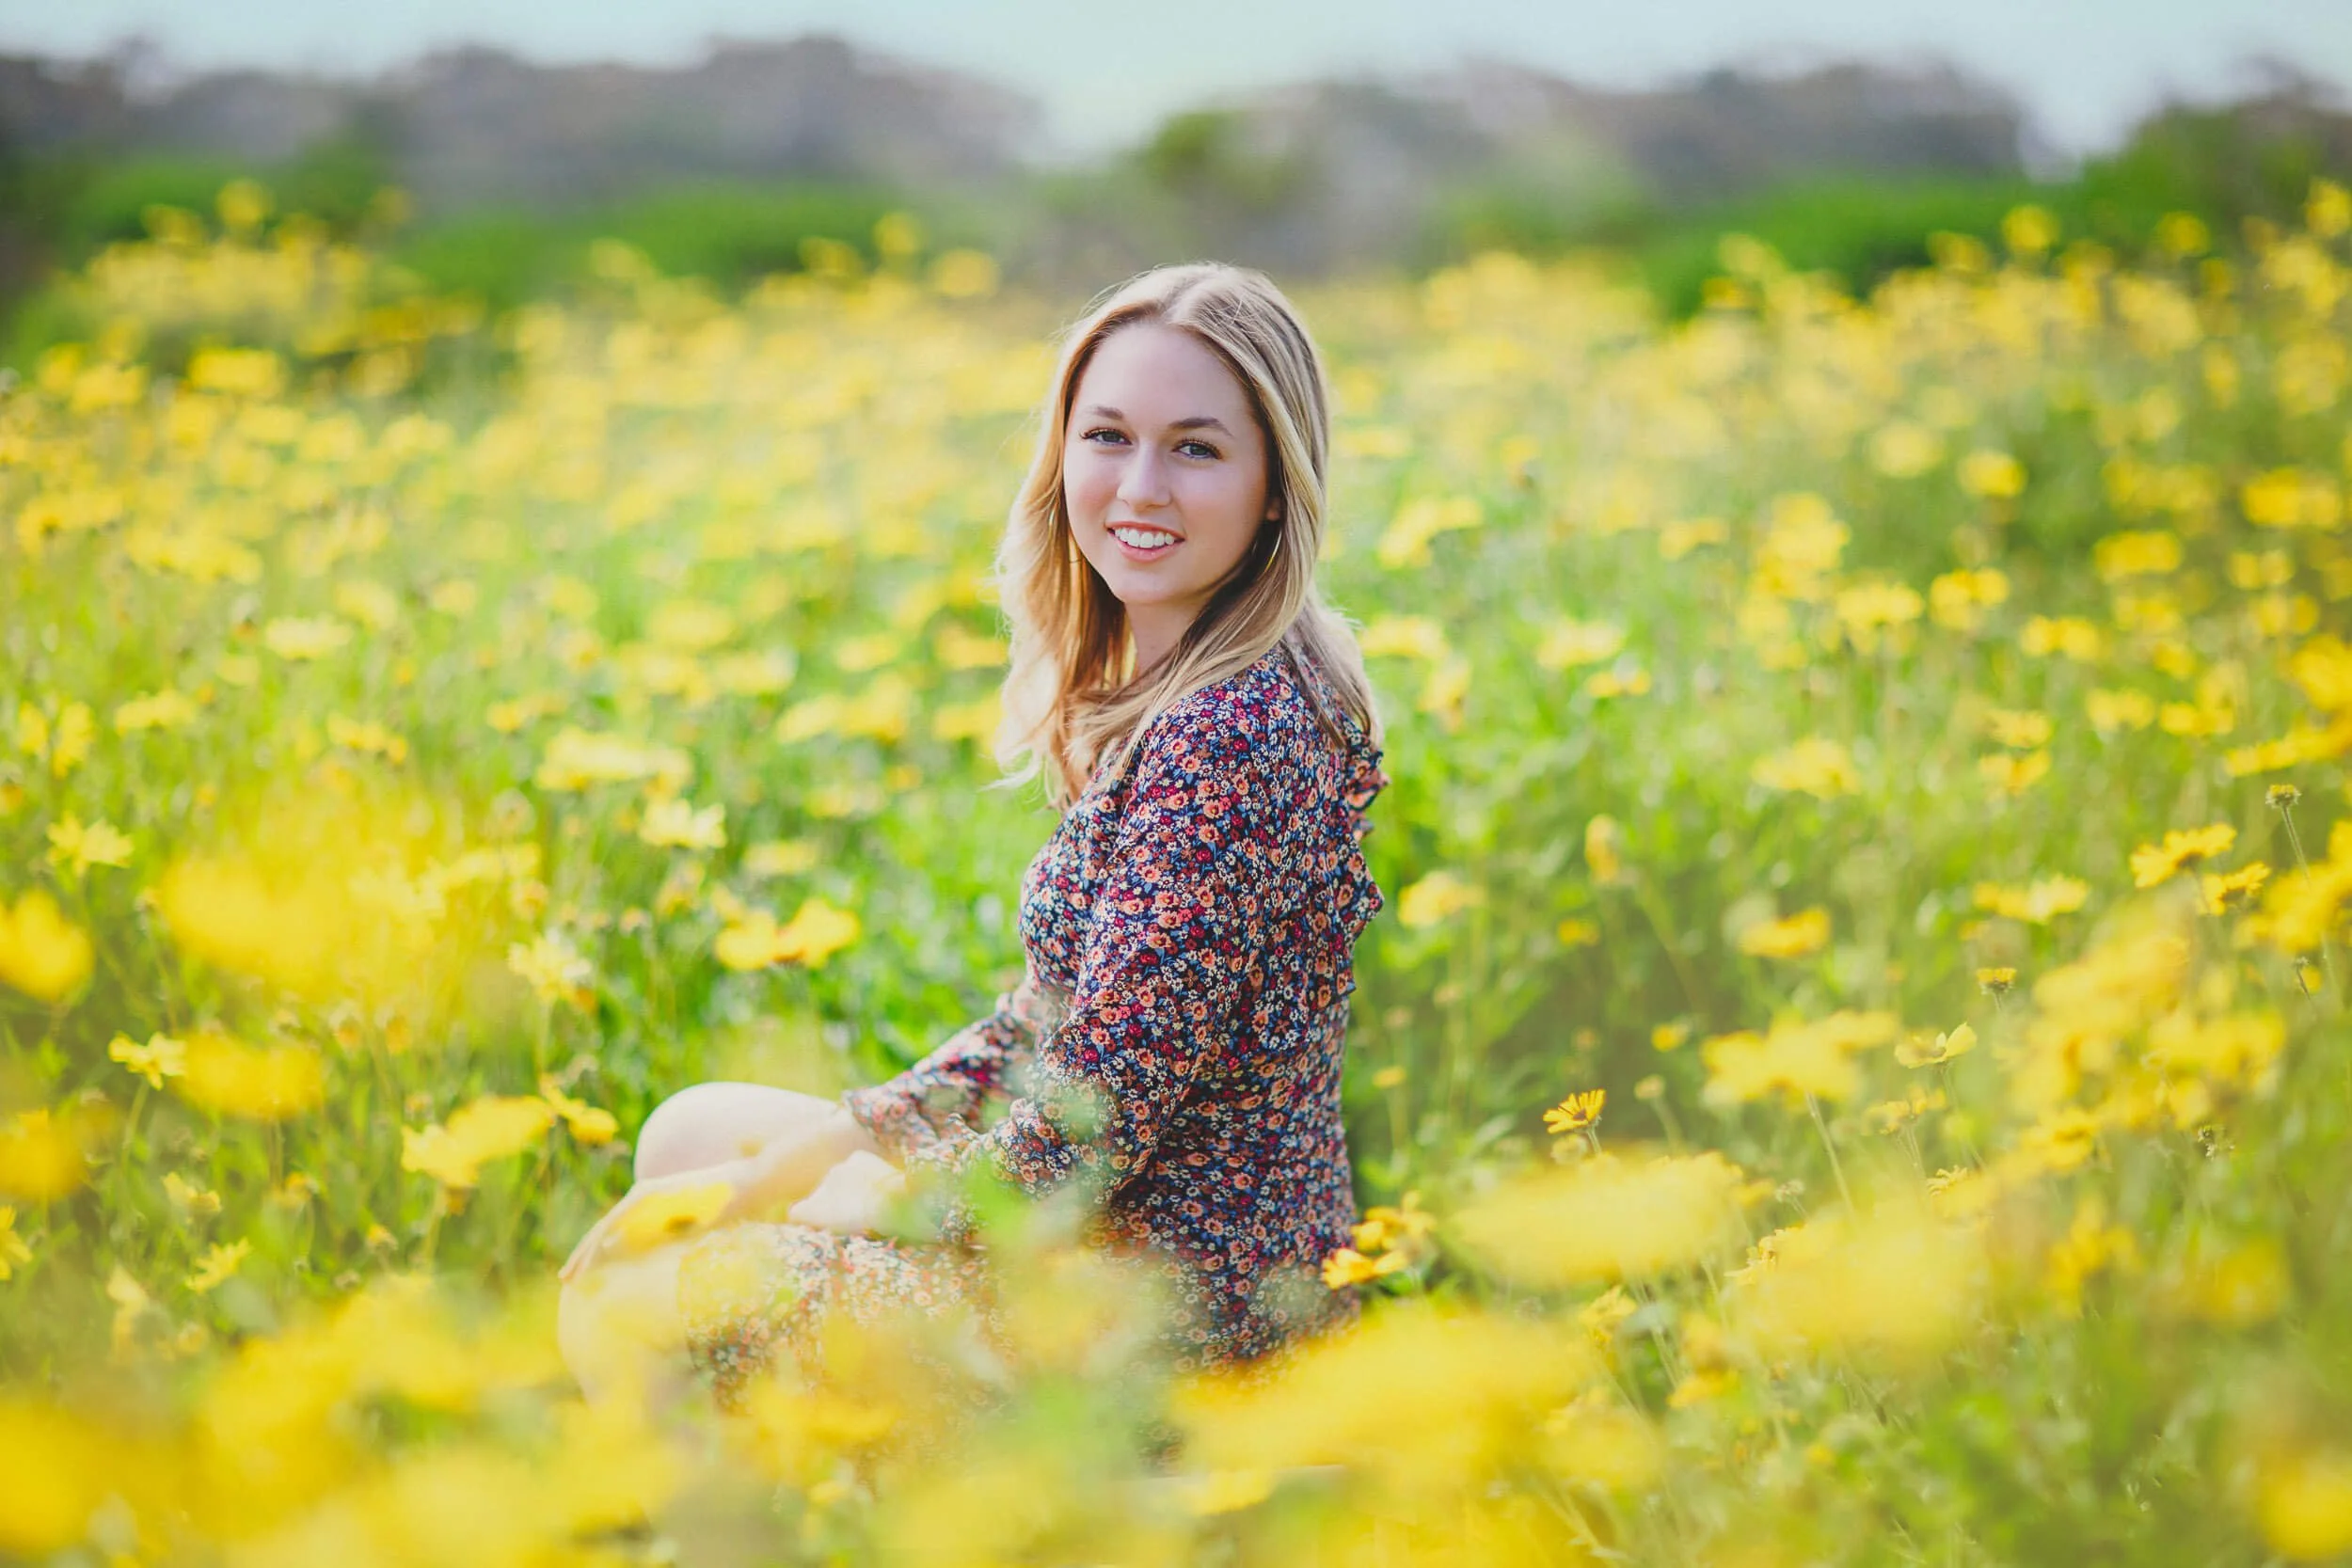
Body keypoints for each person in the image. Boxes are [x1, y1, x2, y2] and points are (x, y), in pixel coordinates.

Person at [556, 260, 1391, 1417]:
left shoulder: (1227, 740)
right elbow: (1048, 1024)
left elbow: (1081, 1128)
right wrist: (839, 1140)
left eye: (1196, 448)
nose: (1138, 485)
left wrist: (875, 1200)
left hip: (1171, 1310)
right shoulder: (1182, 683)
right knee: (699, 1139)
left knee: (639, 1297)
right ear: (1062, 456)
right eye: (1107, 435)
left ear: (1270, 486)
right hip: (1145, 1234)